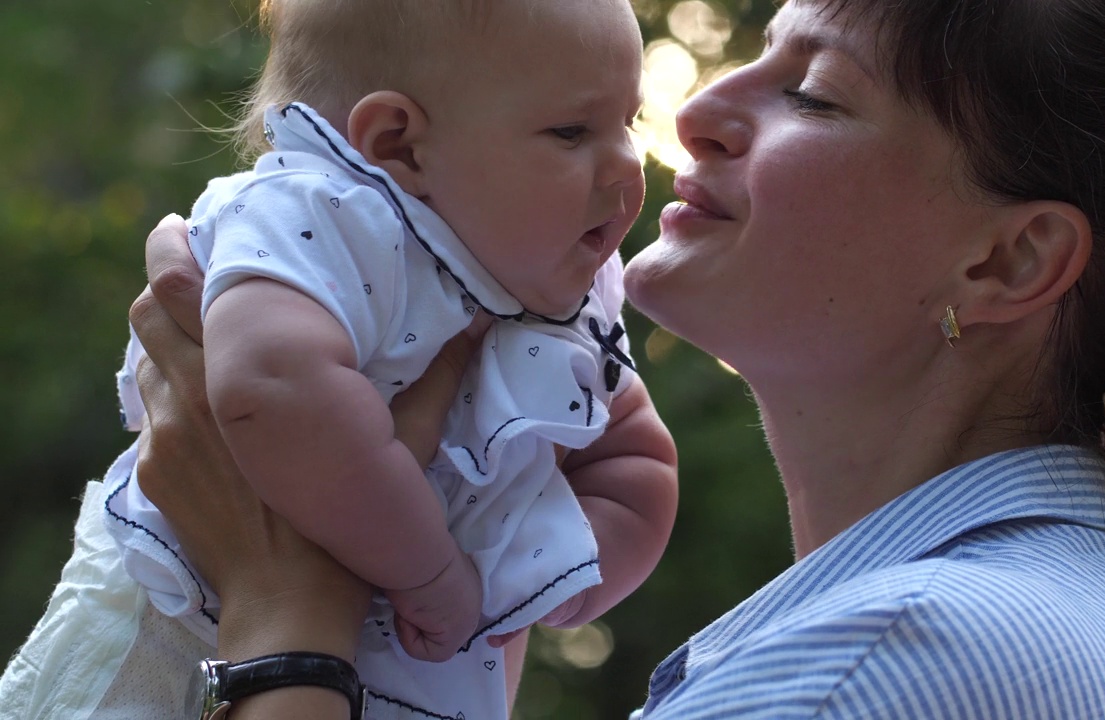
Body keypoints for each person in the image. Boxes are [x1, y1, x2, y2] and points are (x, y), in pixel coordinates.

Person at [18, 0, 1105, 716]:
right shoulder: (994, 625)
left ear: (1004, 266)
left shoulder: (881, 663)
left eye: (817, 96)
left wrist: (287, 611)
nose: (694, 115)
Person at [0, 0, 677, 718]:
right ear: (399, 145)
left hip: (398, 678)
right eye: (573, 130)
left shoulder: (562, 283)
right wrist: (430, 572)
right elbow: (270, 392)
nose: (629, 166)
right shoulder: (322, 216)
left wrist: (547, 580)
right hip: (172, 645)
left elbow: (633, 459)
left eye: (628, 123)